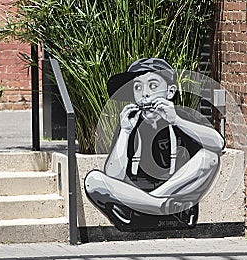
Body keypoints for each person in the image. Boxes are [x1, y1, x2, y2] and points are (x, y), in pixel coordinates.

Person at [85, 58, 225, 231]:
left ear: (170, 92)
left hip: (167, 202)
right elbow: (113, 176)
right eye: (138, 87)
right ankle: (157, 206)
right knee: (93, 180)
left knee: (210, 158)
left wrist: (177, 121)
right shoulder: (129, 123)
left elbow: (218, 144)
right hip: (140, 202)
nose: (144, 94)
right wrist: (125, 132)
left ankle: (151, 204)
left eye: (152, 86)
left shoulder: (181, 116)